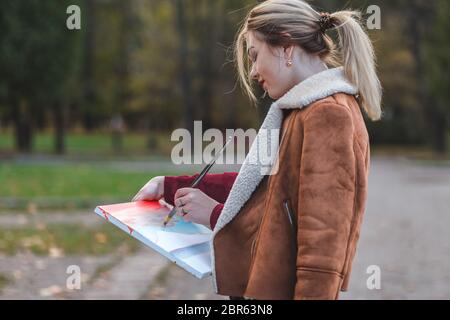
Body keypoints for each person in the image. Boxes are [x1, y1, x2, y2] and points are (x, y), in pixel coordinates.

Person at [132, 0, 382, 300]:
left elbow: (322, 249)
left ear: (286, 48)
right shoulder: (302, 111)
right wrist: (169, 186)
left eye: (254, 55)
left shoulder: (328, 115)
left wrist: (213, 214)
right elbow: (261, 188)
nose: (252, 72)